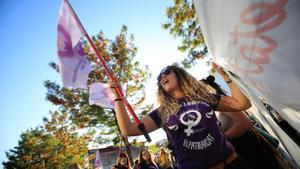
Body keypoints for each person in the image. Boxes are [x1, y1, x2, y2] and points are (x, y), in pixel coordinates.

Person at [109, 63, 252, 169]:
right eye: (159, 77)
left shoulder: (204, 97)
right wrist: (118, 97)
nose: (162, 77)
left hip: (234, 164)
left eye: (166, 72)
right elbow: (128, 129)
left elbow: (242, 104)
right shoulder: (162, 112)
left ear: (180, 74)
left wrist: (228, 78)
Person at [201, 75, 281, 169]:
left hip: (247, 144)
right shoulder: (205, 110)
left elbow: (245, 122)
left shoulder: (219, 105)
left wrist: (222, 139)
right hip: (236, 147)